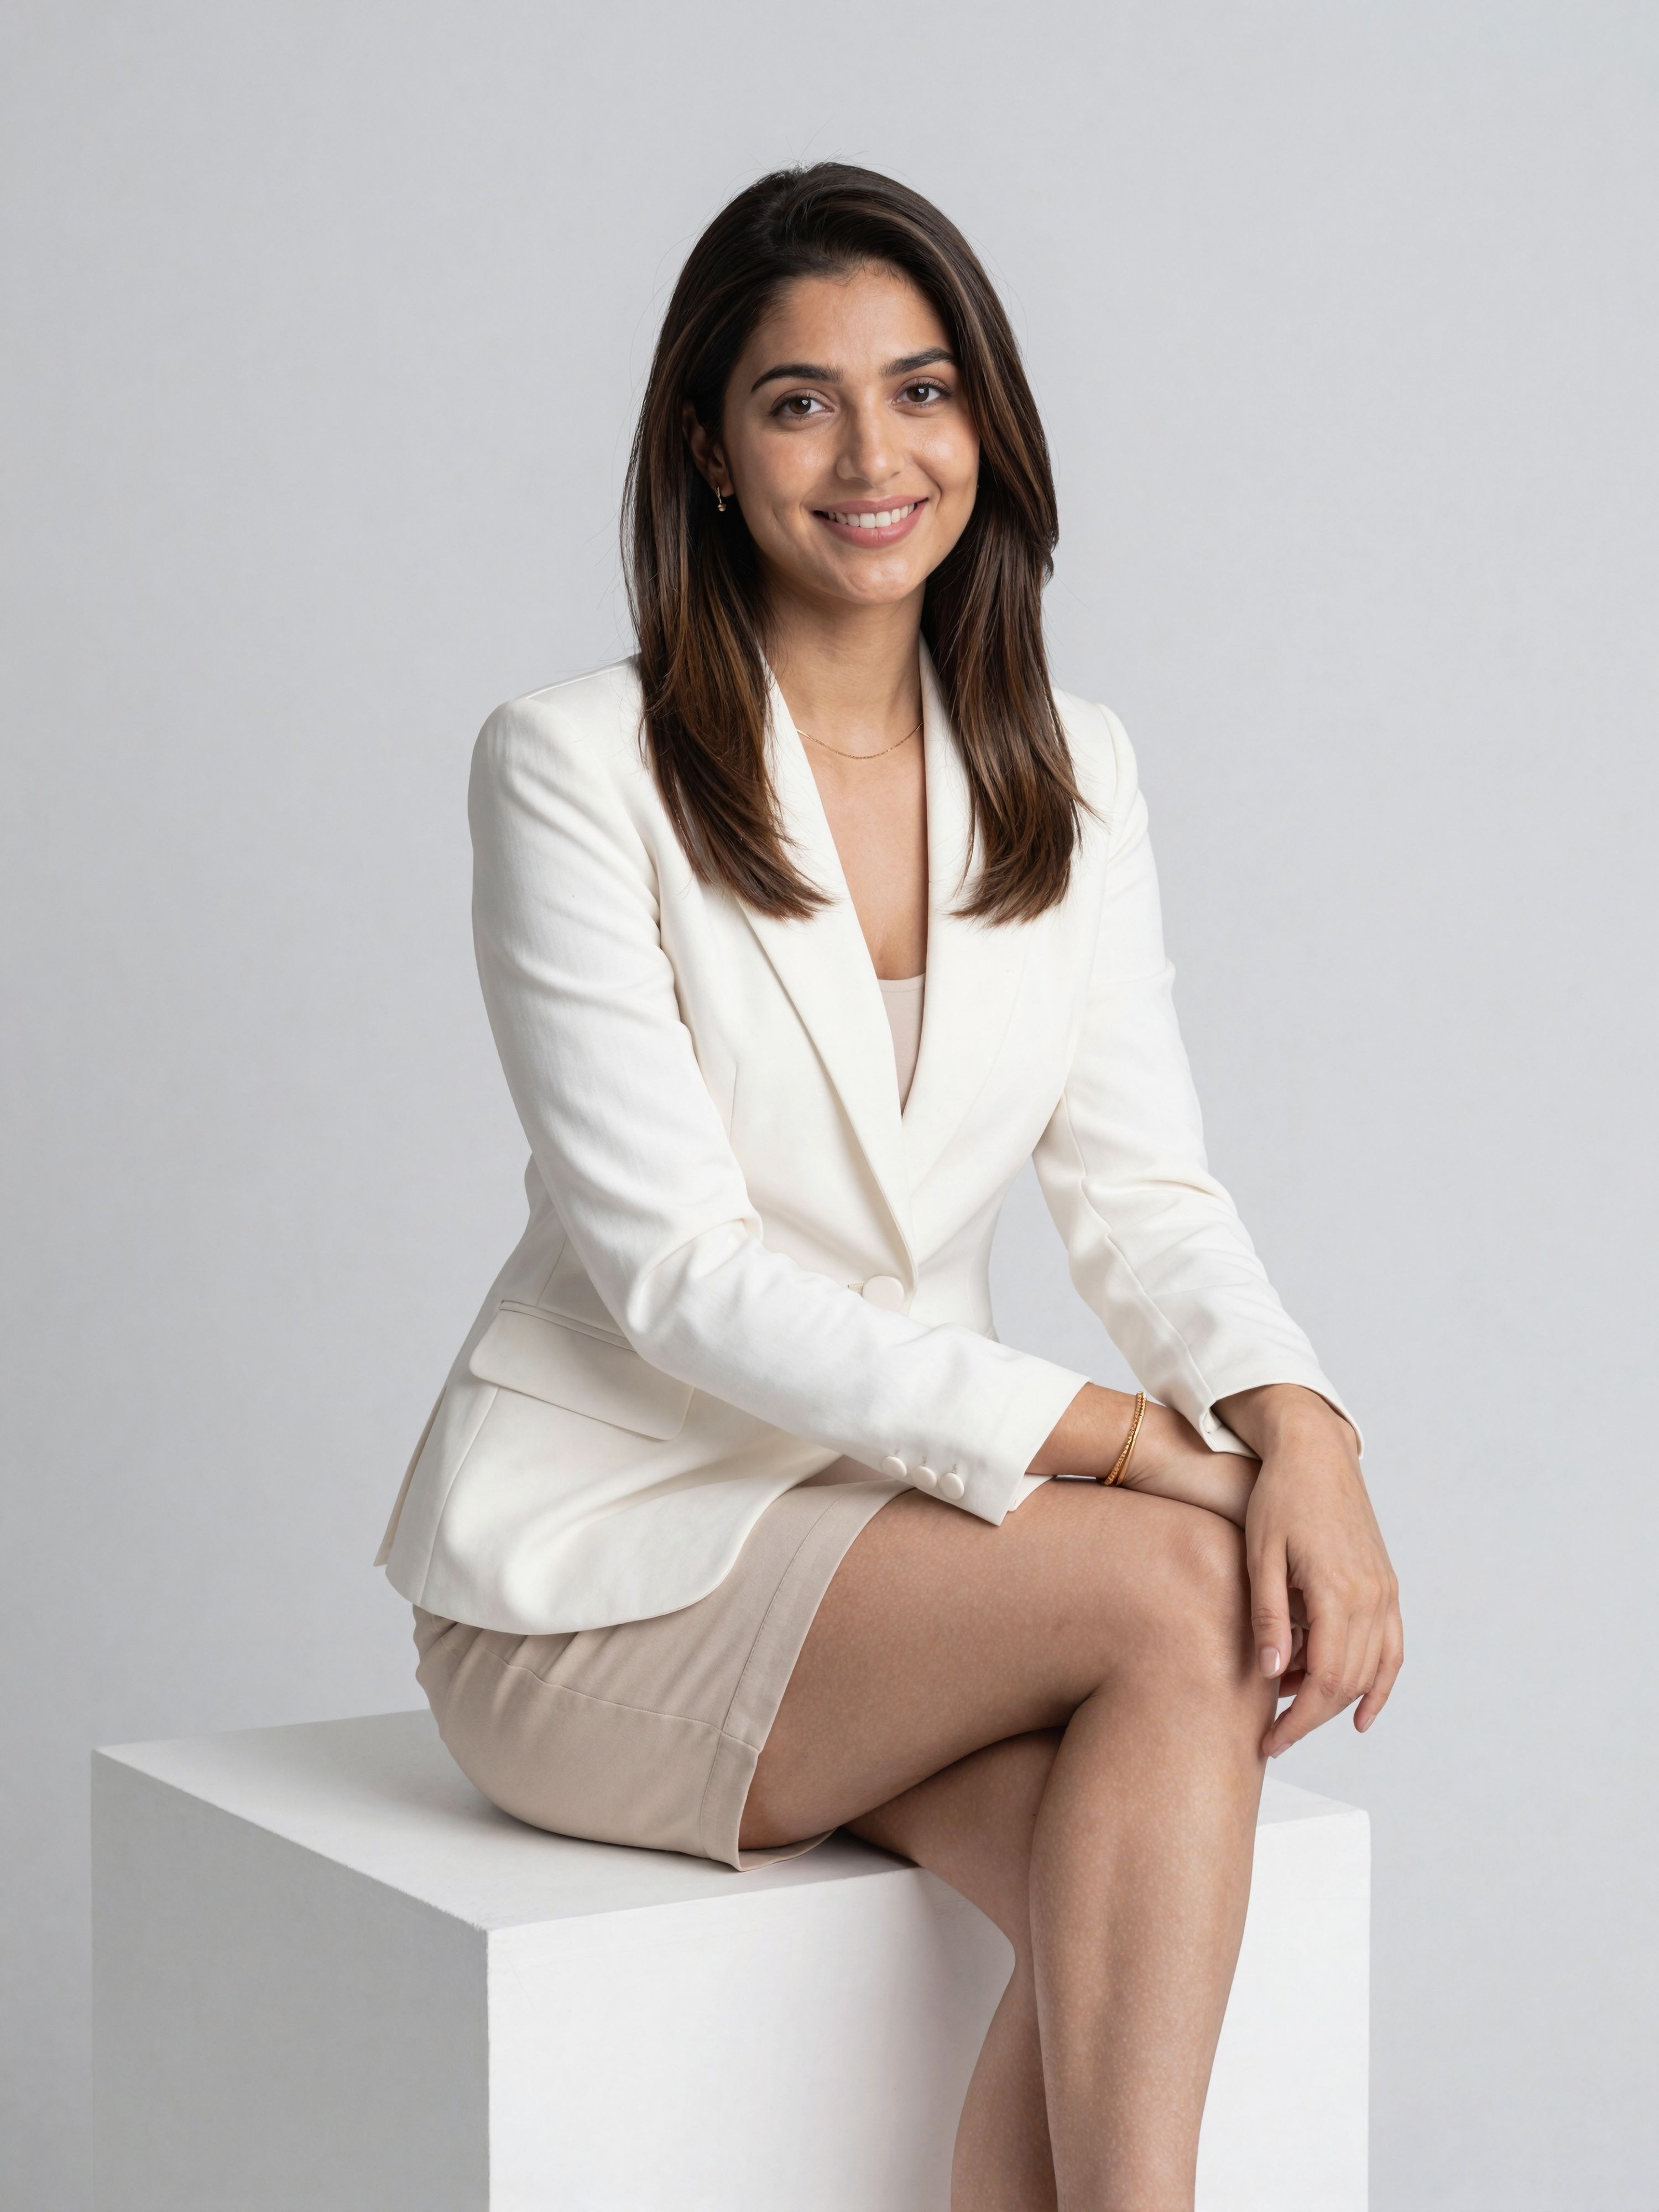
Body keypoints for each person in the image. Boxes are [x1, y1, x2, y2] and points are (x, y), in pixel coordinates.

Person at [374, 161, 1402, 2210]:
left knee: (1114, 1872)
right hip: (609, 1570)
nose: (873, 455)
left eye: (923, 391)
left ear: (988, 428)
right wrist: (1134, 1450)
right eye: (799, 400)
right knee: (1179, 1593)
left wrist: (1306, 1434)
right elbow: (675, 1273)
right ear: (708, 446)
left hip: (893, 1543)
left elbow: (1148, 1191)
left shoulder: (1071, 765)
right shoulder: (575, 764)